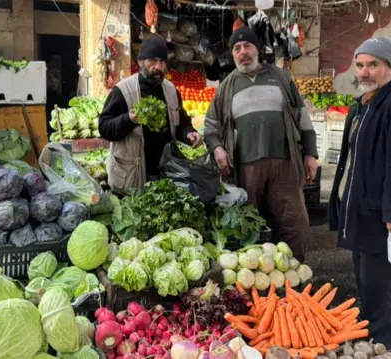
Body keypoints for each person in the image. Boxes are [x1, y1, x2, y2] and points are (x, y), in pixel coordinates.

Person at [328, 37, 391, 351]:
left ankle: (382, 348)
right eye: (360, 65)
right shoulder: (365, 104)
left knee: (382, 290)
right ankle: (370, 344)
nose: (364, 71)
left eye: (373, 64)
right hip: (364, 213)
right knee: (368, 286)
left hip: (383, 220)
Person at [203, 27, 319, 261]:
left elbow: (301, 116)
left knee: (294, 219)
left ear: (258, 49)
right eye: (237, 48)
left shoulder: (281, 77)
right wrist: (217, 149)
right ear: (233, 54)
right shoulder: (226, 86)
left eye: (247, 46)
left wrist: (310, 153)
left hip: (285, 162)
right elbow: (210, 126)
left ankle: (297, 269)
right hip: (245, 166)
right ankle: (258, 276)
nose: (243, 52)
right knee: (249, 223)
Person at [99, 37, 202, 194]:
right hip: (132, 179)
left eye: (162, 61)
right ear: (140, 62)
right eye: (152, 61)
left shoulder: (172, 91)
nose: (159, 67)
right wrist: (129, 120)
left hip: (166, 177)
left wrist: (189, 133)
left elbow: (182, 122)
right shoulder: (122, 91)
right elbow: (104, 128)